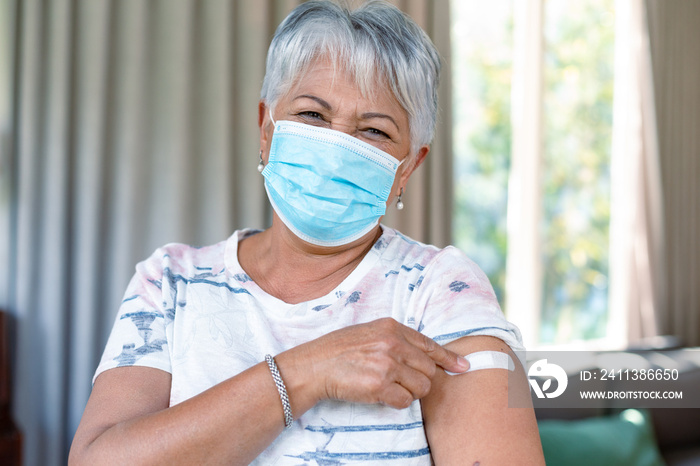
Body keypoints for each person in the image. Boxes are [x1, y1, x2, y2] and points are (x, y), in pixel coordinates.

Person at [69, 1, 544, 464]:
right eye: (313, 115)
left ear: (407, 167)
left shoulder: (439, 291)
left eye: (374, 131)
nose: (338, 146)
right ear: (266, 129)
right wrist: (308, 370)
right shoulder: (171, 282)